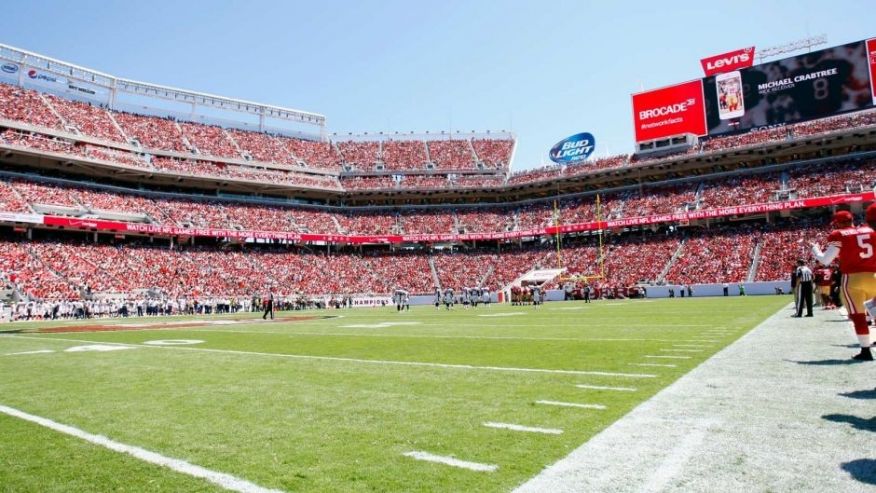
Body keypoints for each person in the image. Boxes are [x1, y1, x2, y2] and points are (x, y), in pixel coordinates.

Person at [811, 208, 876, 361]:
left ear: (839, 223)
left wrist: (815, 250)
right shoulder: (870, 230)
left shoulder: (839, 235)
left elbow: (825, 260)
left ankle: (865, 351)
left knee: (858, 316)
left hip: (852, 278)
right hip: (874, 276)